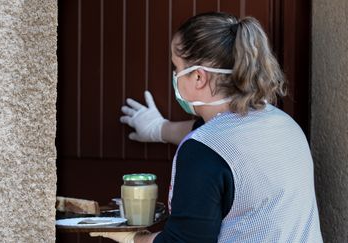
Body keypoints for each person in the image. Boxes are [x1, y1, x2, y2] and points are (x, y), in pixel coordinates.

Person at [90, 12, 323, 242]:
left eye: (176, 67)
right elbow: (225, 138)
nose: (174, 76)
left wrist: (134, 238)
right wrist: (159, 129)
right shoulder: (285, 124)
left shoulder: (203, 152)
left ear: (199, 77)